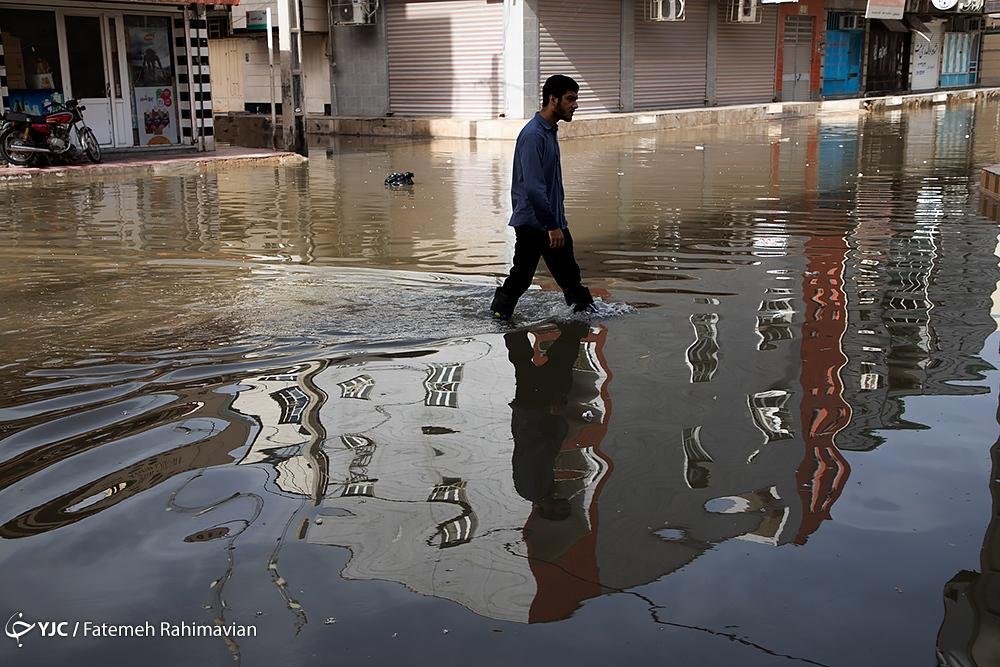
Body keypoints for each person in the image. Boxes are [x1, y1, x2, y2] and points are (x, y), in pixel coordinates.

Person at [490, 74, 594, 320]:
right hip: (535, 223)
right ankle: (497, 316)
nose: (575, 105)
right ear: (553, 99)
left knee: (570, 277)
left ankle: (586, 319)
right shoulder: (533, 135)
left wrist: (557, 222)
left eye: (576, 99)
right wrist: (552, 226)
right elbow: (534, 189)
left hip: (551, 221)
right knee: (522, 277)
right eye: (570, 99)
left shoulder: (549, 131)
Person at [506, 321, 590, 520]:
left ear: (545, 510)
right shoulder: (538, 490)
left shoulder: (533, 490)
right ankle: (514, 329)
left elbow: (538, 452)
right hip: (529, 413)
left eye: (562, 509)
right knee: (528, 367)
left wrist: (556, 417)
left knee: (558, 371)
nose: (565, 503)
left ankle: (571, 330)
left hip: (536, 413)